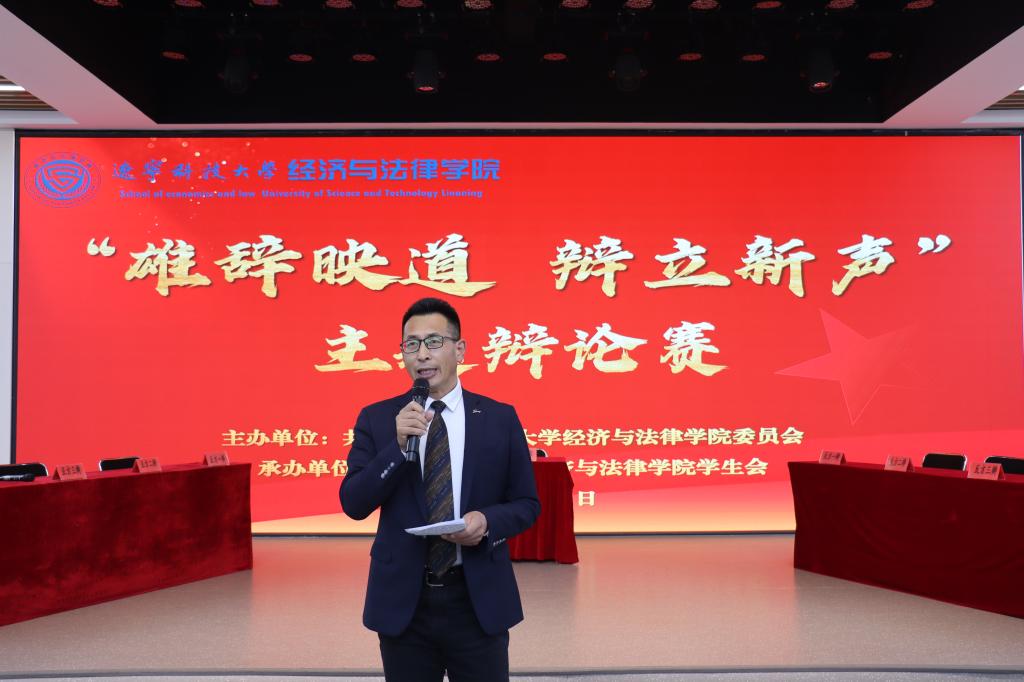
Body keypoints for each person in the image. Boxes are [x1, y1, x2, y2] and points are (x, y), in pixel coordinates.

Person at [340, 297, 540, 682]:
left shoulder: (499, 418)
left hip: (476, 599)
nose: (422, 354)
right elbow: (353, 502)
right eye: (411, 344)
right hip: (405, 602)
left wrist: (487, 521)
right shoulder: (378, 419)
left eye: (434, 342)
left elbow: (527, 503)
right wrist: (396, 447)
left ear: (459, 349)